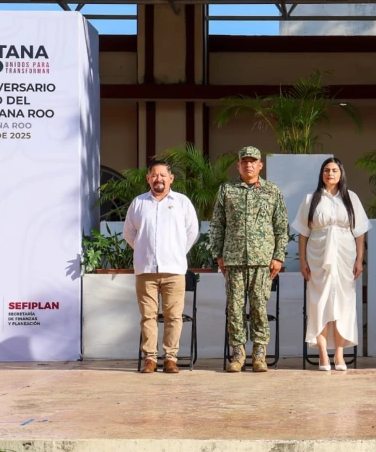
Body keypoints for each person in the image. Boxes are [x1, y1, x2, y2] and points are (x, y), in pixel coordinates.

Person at [210, 146, 289, 373]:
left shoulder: (272, 191)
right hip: (233, 260)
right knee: (235, 309)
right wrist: (218, 255)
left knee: (259, 308)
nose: (249, 165)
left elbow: (281, 227)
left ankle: (259, 354)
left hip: (262, 261)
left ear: (260, 165)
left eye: (253, 161)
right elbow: (217, 224)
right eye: (244, 161)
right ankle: (238, 354)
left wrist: (278, 257)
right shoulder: (227, 190)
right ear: (238, 165)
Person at [292, 158, 369, 371]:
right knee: (320, 303)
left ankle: (340, 355)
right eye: (326, 170)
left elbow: (360, 232)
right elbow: (302, 234)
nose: (330, 174)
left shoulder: (351, 198)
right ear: (321, 174)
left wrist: (359, 260)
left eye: (334, 170)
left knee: (343, 303)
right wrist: (303, 261)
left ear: (341, 173)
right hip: (318, 255)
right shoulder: (311, 199)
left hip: (345, 256)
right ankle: (323, 355)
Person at [123, 159, 199, 374]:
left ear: (171, 178)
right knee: (148, 316)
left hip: (174, 270)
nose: (159, 179)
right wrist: (143, 251)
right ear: (148, 179)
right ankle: (150, 358)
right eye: (154, 175)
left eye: (163, 175)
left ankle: (170, 358)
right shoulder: (138, 203)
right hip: (146, 270)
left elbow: (192, 232)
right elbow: (129, 234)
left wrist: (175, 252)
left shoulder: (182, 202)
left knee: (173, 316)